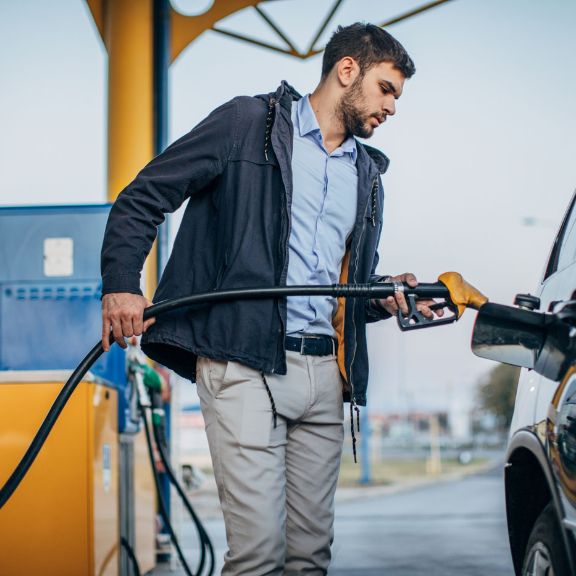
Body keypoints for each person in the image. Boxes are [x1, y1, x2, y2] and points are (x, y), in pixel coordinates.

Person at [101, 22, 440, 576]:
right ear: (347, 70)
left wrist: (390, 297)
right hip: (243, 360)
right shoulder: (247, 125)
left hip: (326, 374)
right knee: (257, 555)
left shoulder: (367, 175)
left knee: (309, 560)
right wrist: (121, 284)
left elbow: (346, 286)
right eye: (387, 89)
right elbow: (142, 197)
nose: (393, 107)